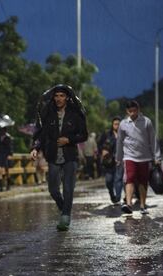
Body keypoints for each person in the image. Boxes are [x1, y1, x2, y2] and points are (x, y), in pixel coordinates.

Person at [30, 84, 88, 231]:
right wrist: (35, 148)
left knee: (68, 188)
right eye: (56, 96)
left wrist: (69, 140)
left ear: (67, 98)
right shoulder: (48, 114)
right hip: (53, 156)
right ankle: (64, 209)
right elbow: (40, 134)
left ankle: (65, 217)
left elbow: (83, 135)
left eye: (62, 96)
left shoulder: (75, 114)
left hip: (70, 157)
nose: (58, 98)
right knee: (53, 190)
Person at [116, 100, 161, 215]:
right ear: (127, 111)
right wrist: (119, 157)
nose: (132, 113)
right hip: (129, 156)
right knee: (129, 178)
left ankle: (142, 204)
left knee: (143, 181)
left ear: (138, 109)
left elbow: (153, 139)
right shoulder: (123, 124)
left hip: (144, 157)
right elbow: (120, 142)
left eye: (134, 111)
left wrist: (157, 156)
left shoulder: (146, 122)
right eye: (130, 111)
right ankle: (129, 204)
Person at [98, 117, 123, 205]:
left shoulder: (124, 134)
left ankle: (118, 198)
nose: (117, 126)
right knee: (109, 180)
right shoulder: (107, 134)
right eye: (115, 124)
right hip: (109, 161)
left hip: (120, 161)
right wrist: (102, 151)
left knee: (118, 179)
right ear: (112, 125)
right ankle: (112, 194)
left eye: (119, 124)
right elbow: (100, 144)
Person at [0, 127, 13, 191]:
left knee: (6, 171)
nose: (2, 131)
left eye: (3, 130)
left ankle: (8, 185)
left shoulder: (8, 137)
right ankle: (1, 187)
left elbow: (10, 147)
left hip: (6, 155)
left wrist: (10, 154)